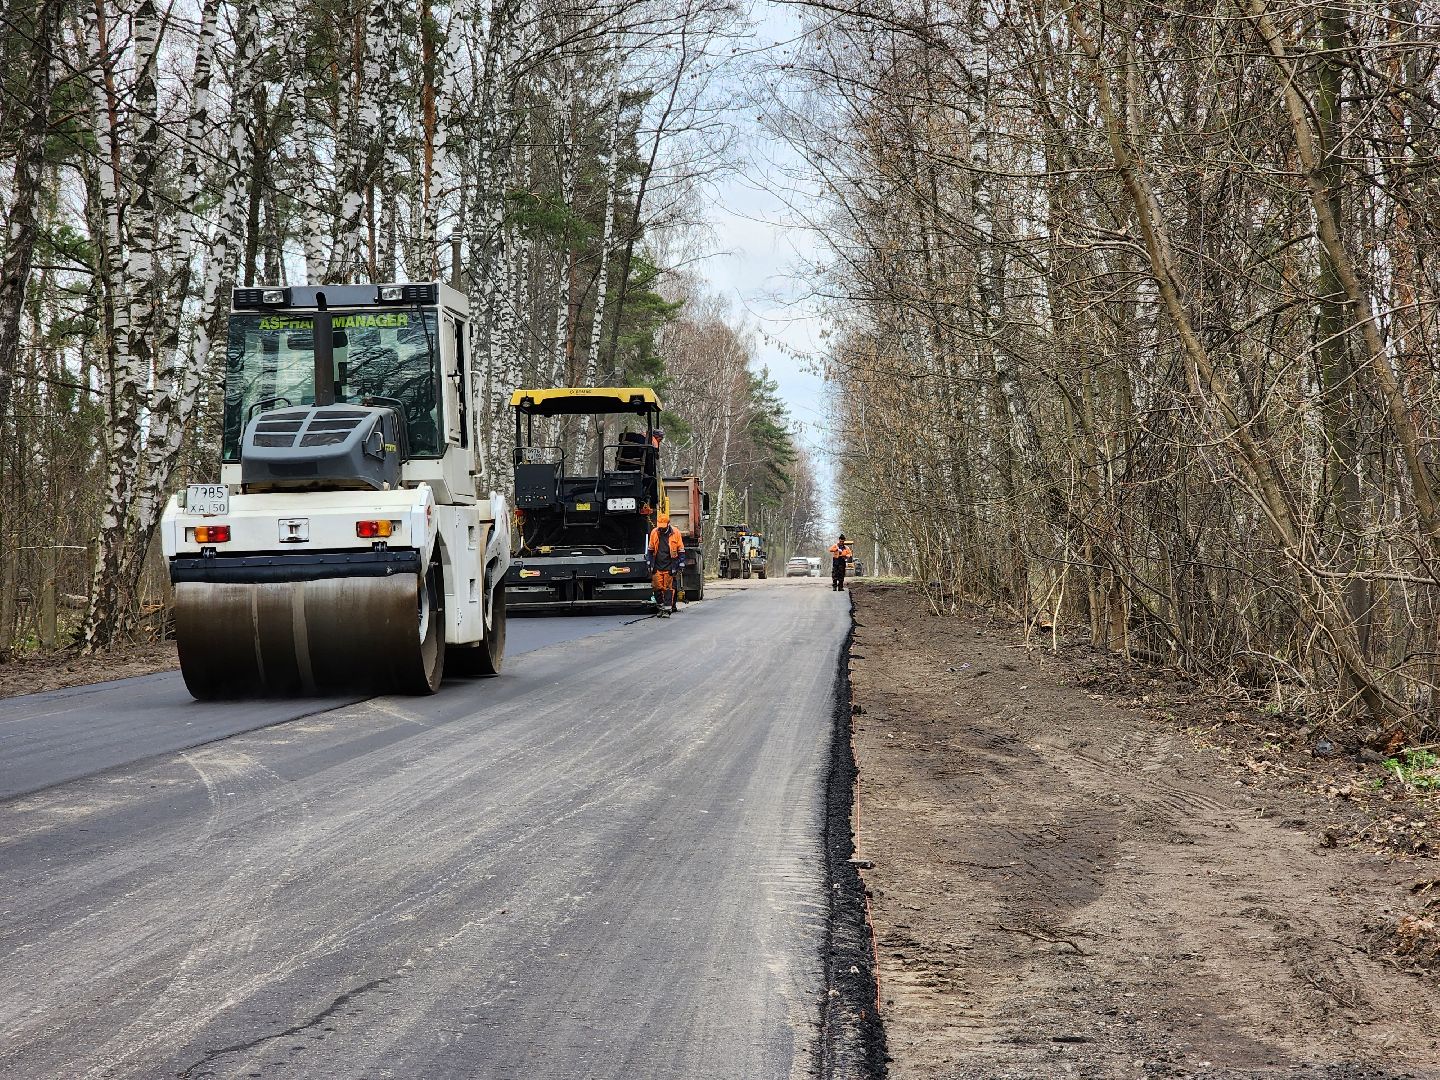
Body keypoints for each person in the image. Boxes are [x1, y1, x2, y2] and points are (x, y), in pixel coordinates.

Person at [647, 511, 686, 616]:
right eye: (660, 526)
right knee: (656, 587)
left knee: (668, 588)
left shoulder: (676, 533)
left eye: (663, 526)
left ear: (668, 524)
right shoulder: (654, 532)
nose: (662, 528)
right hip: (657, 565)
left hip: (670, 565)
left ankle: (667, 610)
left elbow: (681, 550)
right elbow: (650, 550)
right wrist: (649, 562)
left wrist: (681, 563)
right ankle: (660, 607)